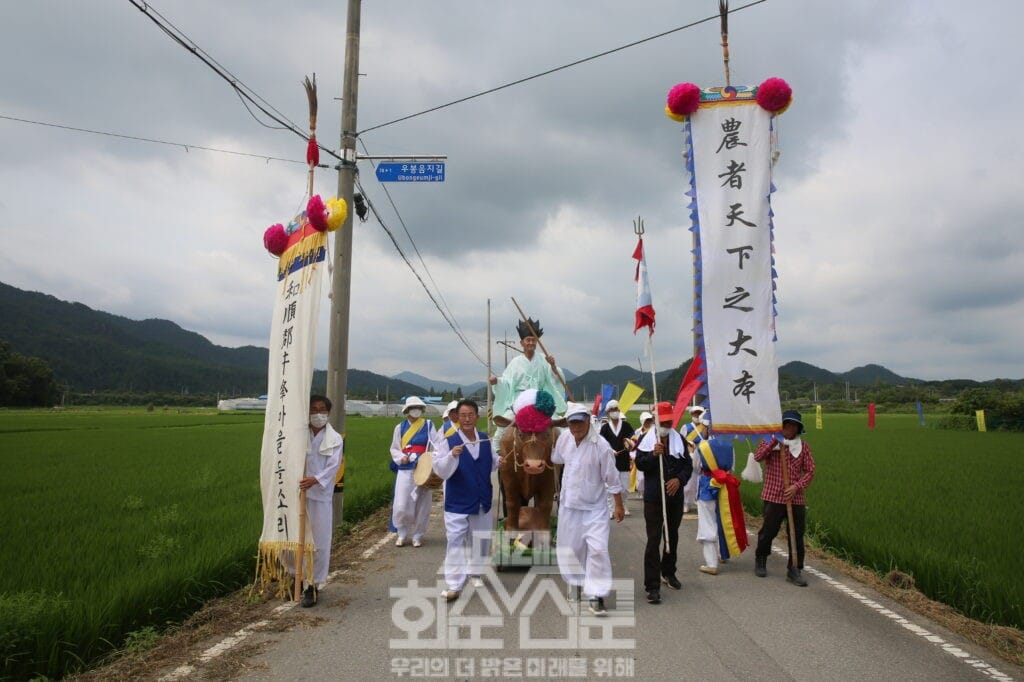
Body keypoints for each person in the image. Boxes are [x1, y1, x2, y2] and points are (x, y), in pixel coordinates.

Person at [552, 402, 624, 616]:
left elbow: (612, 479)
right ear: (567, 423)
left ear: (587, 421)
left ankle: (596, 595)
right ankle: (575, 582)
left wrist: (618, 505)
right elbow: (556, 458)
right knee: (571, 549)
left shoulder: (600, 445)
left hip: (595, 509)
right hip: (569, 507)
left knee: (598, 550)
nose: (576, 426)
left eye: (580, 422)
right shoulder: (564, 438)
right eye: (572, 422)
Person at [432, 399, 499, 602]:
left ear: (477, 417)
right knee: (455, 540)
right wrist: (451, 456)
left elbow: (493, 461)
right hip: (458, 500)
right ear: (456, 417)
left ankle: (475, 572)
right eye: (463, 415)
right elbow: (439, 469)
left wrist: (501, 461)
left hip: (482, 498)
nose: (467, 418)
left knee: (481, 538)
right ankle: (454, 584)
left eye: (471, 415)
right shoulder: (449, 440)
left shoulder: (484, 439)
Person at [635, 401, 693, 604]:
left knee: (672, 536)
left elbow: (688, 466)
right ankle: (652, 586)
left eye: (670, 421)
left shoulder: (680, 440)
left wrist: (679, 480)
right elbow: (640, 464)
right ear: (656, 421)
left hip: (674, 498)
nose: (667, 425)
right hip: (653, 498)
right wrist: (653, 455)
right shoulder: (646, 440)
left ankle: (669, 572)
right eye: (663, 421)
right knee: (653, 540)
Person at [753, 410, 816, 587]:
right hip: (773, 495)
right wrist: (776, 439)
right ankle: (761, 558)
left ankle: (794, 569)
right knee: (769, 531)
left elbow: (810, 470)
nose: (790, 428)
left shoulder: (803, 447)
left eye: (793, 426)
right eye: (786, 425)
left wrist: (797, 486)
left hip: (795, 498)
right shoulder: (771, 442)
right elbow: (758, 457)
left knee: (796, 534)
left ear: (798, 429)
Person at [297, 395, 344, 607]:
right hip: (297, 494)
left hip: (319, 496)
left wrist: (315, 479)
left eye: (322, 410)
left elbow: (333, 466)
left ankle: (313, 585)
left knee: (319, 541)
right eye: (314, 409)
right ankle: (295, 577)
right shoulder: (298, 434)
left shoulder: (335, 439)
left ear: (328, 412)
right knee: (294, 539)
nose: (318, 414)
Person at [489, 318, 568, 422]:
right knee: (503, 429)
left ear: (537, 342)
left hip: (539, 400)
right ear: (522, 343)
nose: (531, 342)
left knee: (555, 424)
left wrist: (553, 366)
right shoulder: (515, 362)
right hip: (519, 401)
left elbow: (557, 379)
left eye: (533, 340)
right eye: (528, 340)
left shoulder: (544, 360)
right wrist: (497, 382)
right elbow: (506, 383)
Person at [694, 434, 747, 576]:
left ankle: (711, 563)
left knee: (707, 522)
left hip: (707, 486)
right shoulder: (730, 445)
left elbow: (695, 467)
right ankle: (723, 554)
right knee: (724, 519)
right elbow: (732, 467)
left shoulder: (703, 445)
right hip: (726, 486)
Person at [389, 396, 437, 547]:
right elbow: (394, 448)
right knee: (402, 503)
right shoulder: (400, 427)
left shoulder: (429, 425)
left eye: (418, 407)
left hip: (423, 469)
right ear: (407, 410)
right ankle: (402, 533)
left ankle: (418, 535)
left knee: (422, 504)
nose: (416, 410)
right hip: (405, 469)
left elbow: (436, 446)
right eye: (413, 407)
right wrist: (401, 457)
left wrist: (429, 459)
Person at [598, 399, 635, 518]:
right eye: (612, 410)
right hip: (610, 461)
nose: (615, 412)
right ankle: (611, 508)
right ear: (608, 412)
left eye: (617, 409)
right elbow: (601, 443)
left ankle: (623, 505)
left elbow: (633, 439)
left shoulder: (626, 425)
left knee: (624, 488)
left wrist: (630, 443)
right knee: (610, 488)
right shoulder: (604, 428)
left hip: (623, 461)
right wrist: (611, 451)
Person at [681, 406, 708, 515]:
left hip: (704, 455)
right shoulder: (686, 427)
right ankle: (686, 503)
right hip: (691, 455)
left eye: (699, 413)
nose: (697, 416)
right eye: (695, 414)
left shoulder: (706, 427)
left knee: (701, 481)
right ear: (691, 415)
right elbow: (682, 442)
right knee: (689, 483)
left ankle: (698, 501)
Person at [628, 411, 654, 499]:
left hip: (651, 455)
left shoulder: (654, 431)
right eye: (647, 420)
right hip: (640, 456)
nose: (648, 422)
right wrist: (632, 454)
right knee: (640, 478)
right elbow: (634, 445)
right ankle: (641, 491)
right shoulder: (638, 432)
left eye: (650, 420)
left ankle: (647, 491)